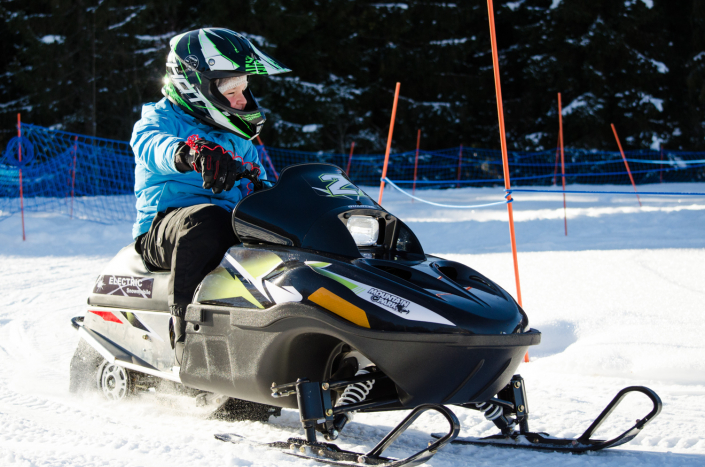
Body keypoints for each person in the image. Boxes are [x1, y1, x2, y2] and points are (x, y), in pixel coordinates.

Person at [130, 28, 291, 361]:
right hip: (164, 231)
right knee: (207, 221)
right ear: (195, 87)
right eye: (232, 90)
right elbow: (153, 146)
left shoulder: (239, 139)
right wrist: (190, 154)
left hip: (227, 226)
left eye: (244, 88)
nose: (242, 100)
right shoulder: (159, 119)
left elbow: (258, 185)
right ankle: (187, 341)